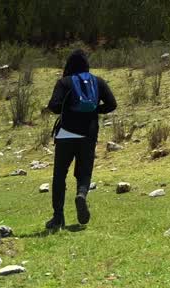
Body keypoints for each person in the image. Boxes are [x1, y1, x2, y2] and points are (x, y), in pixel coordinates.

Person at [45, 49, 116, 230]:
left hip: (66, 135)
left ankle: (58, 218)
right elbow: (112, 104)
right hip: (89, 134)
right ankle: (81, 195)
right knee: (84, 172)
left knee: (60, 175)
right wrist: (94, 111)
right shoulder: (97, 82)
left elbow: (53, 106)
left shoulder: (64, 82)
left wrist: (69, 108)